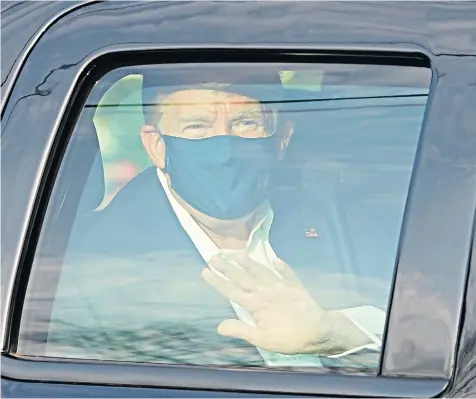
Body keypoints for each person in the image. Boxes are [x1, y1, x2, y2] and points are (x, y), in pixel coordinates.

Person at [52, 67, 385, 368]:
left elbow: (425, 328)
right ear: (156, 146)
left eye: (245, 124)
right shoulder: (86, 270)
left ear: (282, 138)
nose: (225, 151)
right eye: (197, 128)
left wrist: (338, 333)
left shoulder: (342, 216)